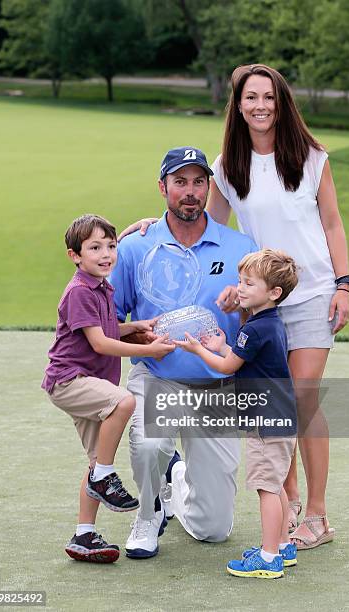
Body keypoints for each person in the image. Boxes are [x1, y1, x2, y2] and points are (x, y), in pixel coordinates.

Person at [119, 64, 349, 549]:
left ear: (281, 101)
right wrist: (155, 220)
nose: (261, 105)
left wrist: (344, 284)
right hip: (258, 304)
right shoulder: (228, 165)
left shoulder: (311, 157)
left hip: (308, 293)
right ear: (239, 105)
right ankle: (286, 507)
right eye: (251, 97)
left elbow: (331, 224)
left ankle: (317, 514)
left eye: (269, 96)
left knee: (303, 401)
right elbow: (210, 225)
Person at [109, 146, 258, 559]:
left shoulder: (240, 245)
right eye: (179, 182)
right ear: (163, 187)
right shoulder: (136, 246)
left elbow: (263, 313)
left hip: (216, 384)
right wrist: (142, 341)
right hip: (158, 376)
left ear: (209, 187)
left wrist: (242, 307)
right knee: (151, 444)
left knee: (214, 530)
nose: (189, 191)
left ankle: (176, 477)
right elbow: (108, 321)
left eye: (198, 182)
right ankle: (148, 511)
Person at [41, 214, 174, 563]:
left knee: (95, 457)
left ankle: (84, 534)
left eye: (111, 246)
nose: (106, 254)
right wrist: (148, 350)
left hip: (88, 382)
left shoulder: (101, 285)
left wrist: (134, 328)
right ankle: (104, 475)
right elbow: (100, 343)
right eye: (95, 248)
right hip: (71, 380)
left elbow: (108, 328)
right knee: (124, 402)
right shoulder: (80, 291)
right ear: (75, 255)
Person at [175, 249, 299, 579]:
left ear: (274, 293)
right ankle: (284, 545)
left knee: (266, 487)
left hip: (265, 421)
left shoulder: (254, 328)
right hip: (280, 416)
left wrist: (198, 349)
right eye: (240, 281)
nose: (240, 289)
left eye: (249, 283)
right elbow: (240, 356)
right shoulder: (268, 323)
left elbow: (229, 367)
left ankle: (269, 556)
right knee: (277, 484)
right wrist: (219, 346)